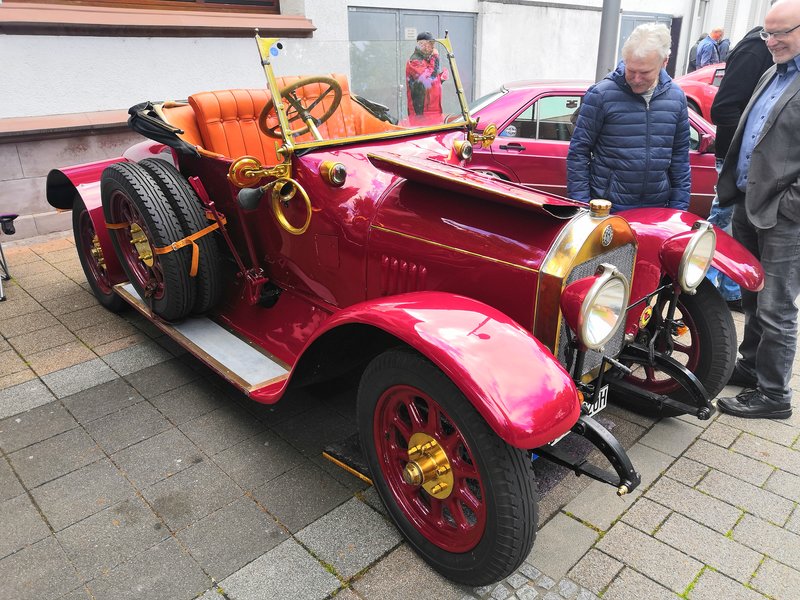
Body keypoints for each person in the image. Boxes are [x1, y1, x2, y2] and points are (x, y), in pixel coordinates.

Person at [715, 0, 800, 419]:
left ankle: (774, 395)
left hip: (783, 216)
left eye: (782, 32)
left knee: (776, 306)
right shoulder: (772, 72)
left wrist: (789, 206)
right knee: (751, 294)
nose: (772, 41)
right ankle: (751, 366)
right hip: (748, 204)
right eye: (768, 32)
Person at [567, 23, 690, 212]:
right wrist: (582, 208)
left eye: (645, 72)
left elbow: (680, 157)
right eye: (631, 70)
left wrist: (678, 210)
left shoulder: (677, 97)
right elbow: (578, 153)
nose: (636, 79)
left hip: (657, 211)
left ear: (664, 62)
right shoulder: (601, 95)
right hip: (607, 210)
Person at [706, 25, 775, 313]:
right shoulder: (755, 49)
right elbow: (723, 108)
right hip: (737, 160)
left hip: (757, 162)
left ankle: (731, 291)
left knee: (738, 229)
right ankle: (701, 294)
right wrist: (751, 146)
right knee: (723, 227)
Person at [405, 32, 448, 125]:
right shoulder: (415, 61)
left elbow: (431, 79)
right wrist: (435, 58)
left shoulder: (427, 59)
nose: (433, 47)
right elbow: (427, 81)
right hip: (422, 114)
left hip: (433, 111)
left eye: (433, 44)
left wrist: (440, 78)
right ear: (421, 44)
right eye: (430, 44)